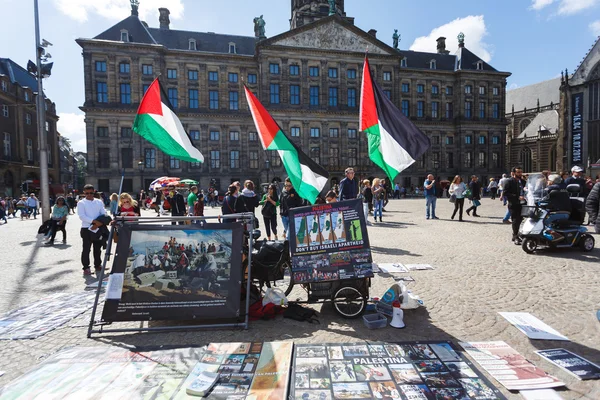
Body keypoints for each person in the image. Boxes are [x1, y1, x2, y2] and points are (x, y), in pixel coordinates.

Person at [77, 184, 107, 275]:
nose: (89, 195)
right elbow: (82, 216)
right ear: (84, 193)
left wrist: (100, 223)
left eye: (91, 193)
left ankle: (98, 265)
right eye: (87, 193)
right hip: (86, 228)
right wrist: (93, 221)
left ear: (94, 192)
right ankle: (86, 267)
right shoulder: (81, 203)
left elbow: (103, 213)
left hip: (98, 227)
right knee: (86, 249)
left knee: (97, 248)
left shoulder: (99, 201)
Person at [504, 167, 525, 245]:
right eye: (518, 172)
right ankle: (515, 236)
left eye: (521, 172)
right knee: (515, 220)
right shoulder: (509, 181)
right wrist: (517, 196)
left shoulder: (523, 181)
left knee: (520, 220)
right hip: (513, 203)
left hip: (523, 203)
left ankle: (517, 234)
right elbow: (506, 193)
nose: (520, 173)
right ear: (514, 173)